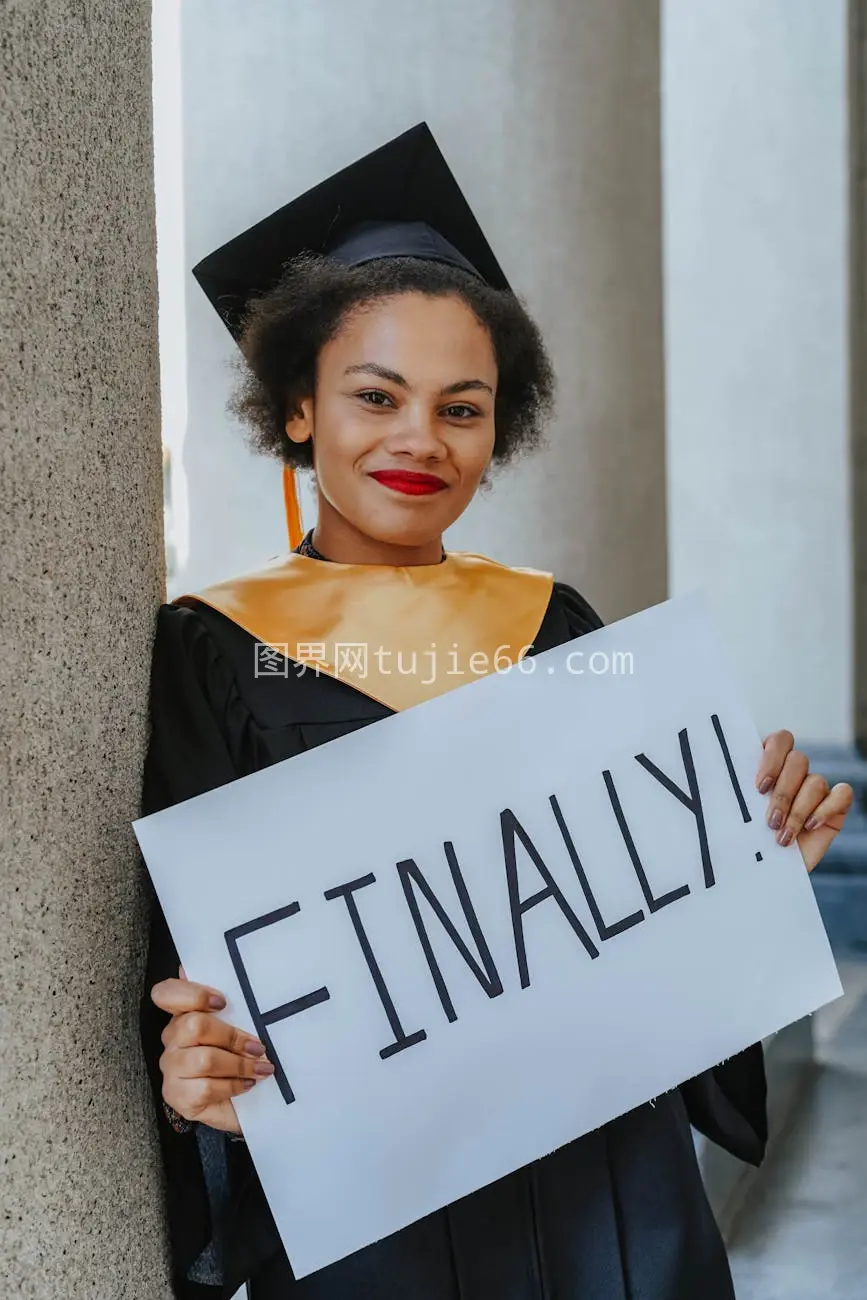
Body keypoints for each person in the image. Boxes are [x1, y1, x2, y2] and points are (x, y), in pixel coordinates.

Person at [140, 124, 854, 1300]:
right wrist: (195, 1073)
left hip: (607, 1187)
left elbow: (644, 934)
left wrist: (753, 865)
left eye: (462, 408)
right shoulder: (219, 651)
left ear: (497, 431)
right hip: (381, 1217)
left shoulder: (555, 623)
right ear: (299, 408)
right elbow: (202, 967)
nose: (421, 438)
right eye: (376, 396)